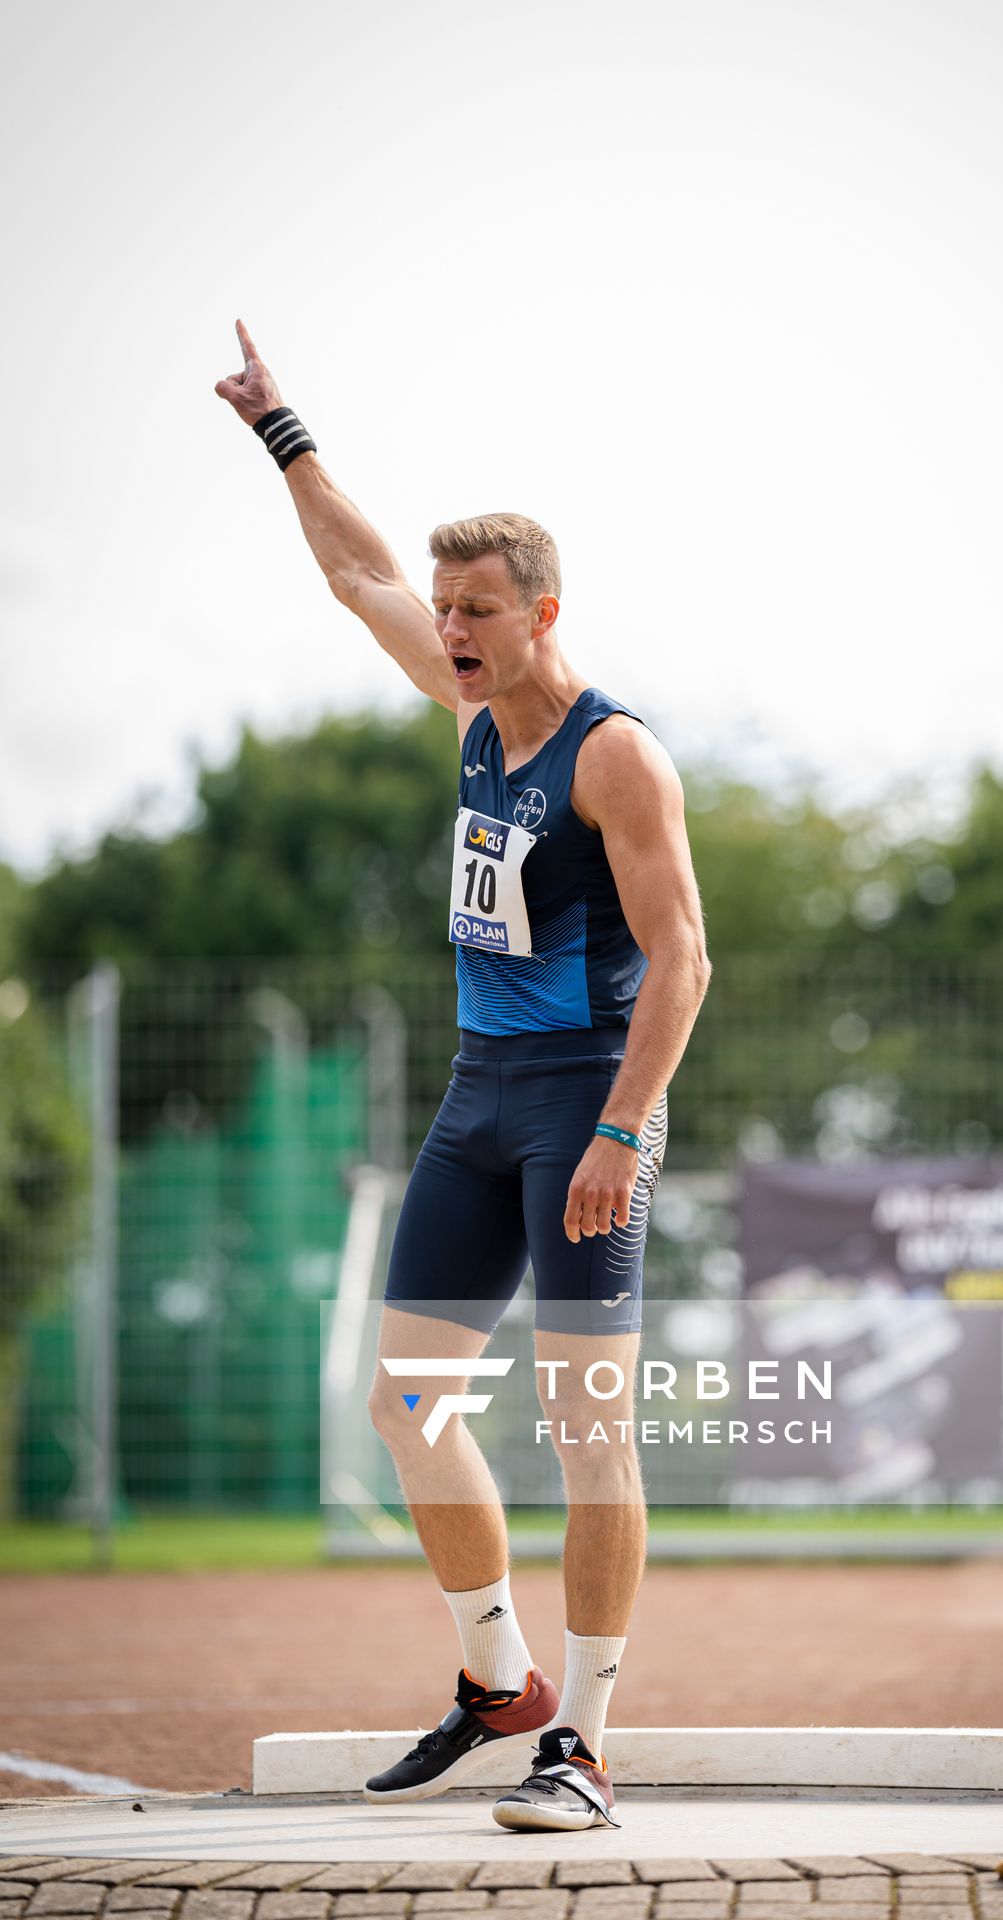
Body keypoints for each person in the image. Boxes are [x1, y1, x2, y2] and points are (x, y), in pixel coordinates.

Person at [216, 322, 712, 1832]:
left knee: (583, 1428)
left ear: (541, 609)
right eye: (446, 612)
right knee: (406, 1402)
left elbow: (683, 957)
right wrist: (282, 430)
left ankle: (589, 1743)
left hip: (582, 1100)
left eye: (476, 611)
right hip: (479, 1094)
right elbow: (356, 573)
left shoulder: (614, 756)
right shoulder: (468, 711)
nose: (448, 630)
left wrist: (625, 1130)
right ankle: (501, 1681)